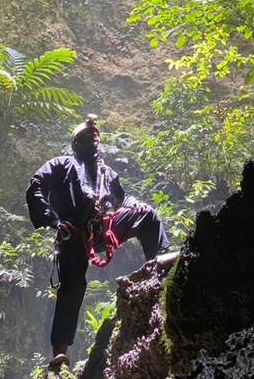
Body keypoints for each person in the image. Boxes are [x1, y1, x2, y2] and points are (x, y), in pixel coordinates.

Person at [26, 115, 172, 373]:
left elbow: (122, 198)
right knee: (72, 286)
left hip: (103, 229)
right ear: (76, 143)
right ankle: (60, 351)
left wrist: (132, 204)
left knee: (147, 213)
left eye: (96, 133)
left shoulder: (106, 172)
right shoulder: (62, 165)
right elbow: (36, 185)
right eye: (87, 133)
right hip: (73, 235)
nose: (94, 134)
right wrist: (53, 220)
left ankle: (161, 267)